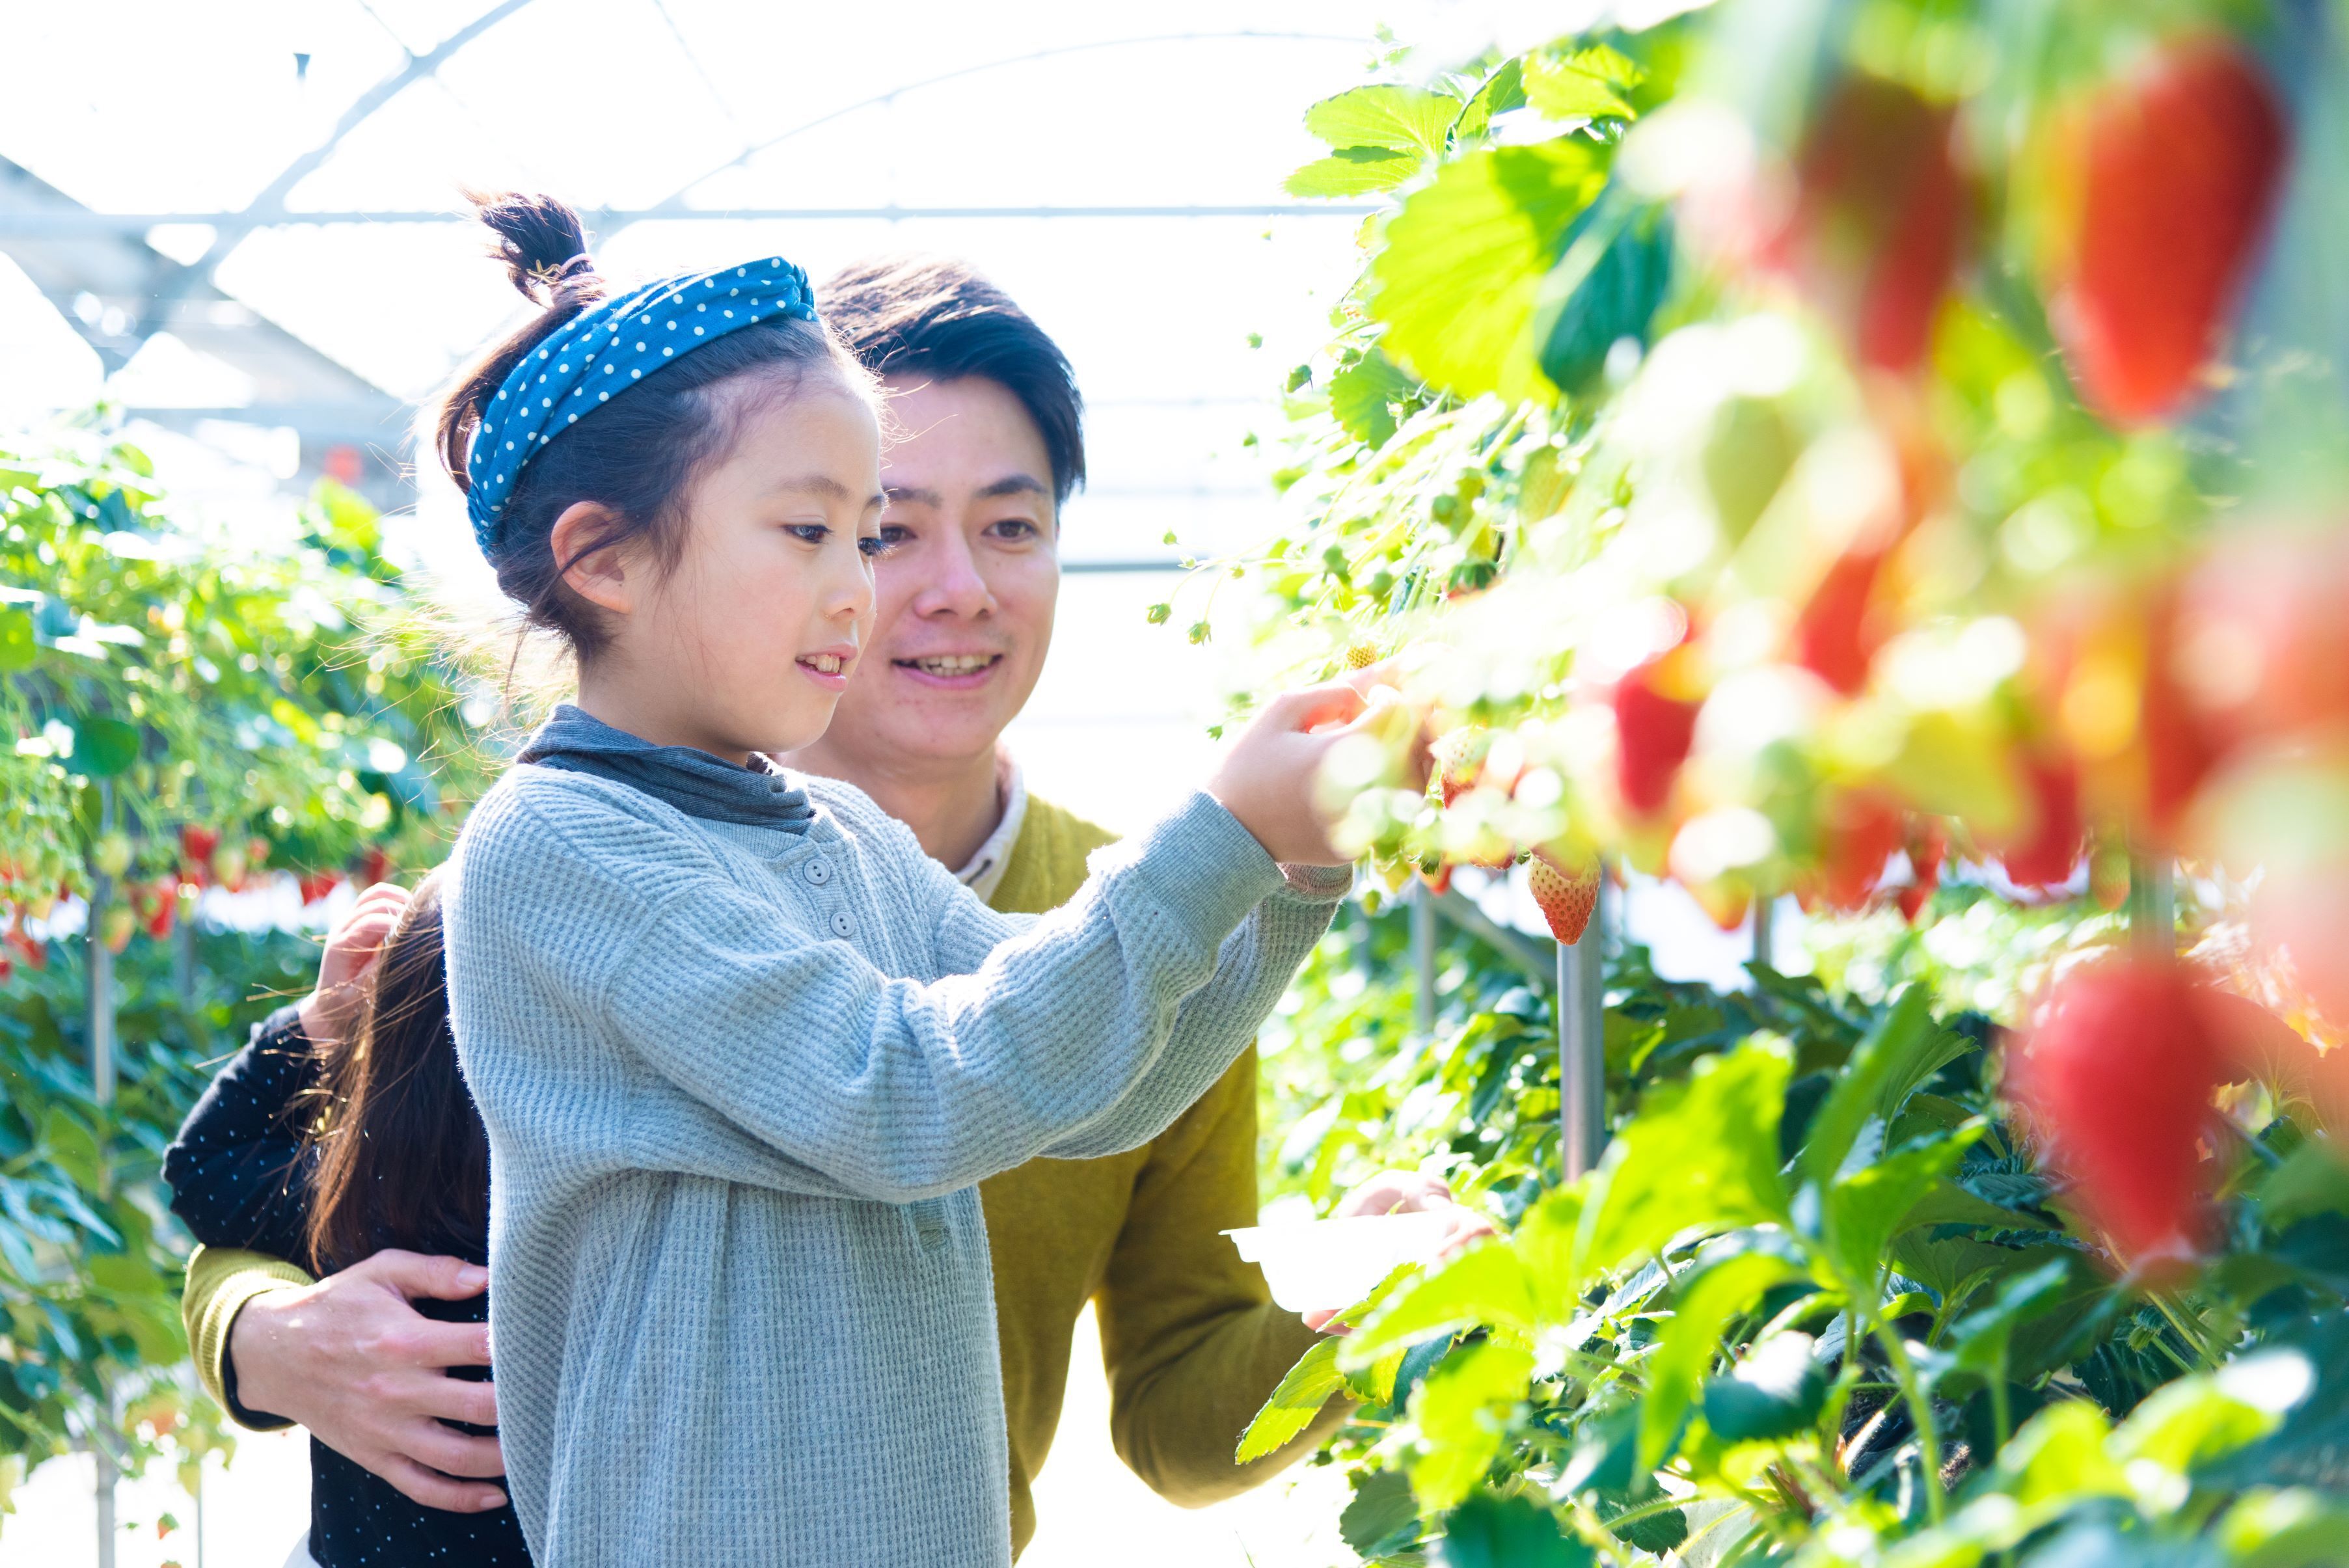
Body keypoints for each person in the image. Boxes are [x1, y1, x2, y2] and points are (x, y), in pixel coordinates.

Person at [170, 234, 1479, 1563]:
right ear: (603, 560)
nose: (866, 585)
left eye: (864, 533)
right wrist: (1217, 836)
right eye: (822, 530)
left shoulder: (836, 834)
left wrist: (1294, 857)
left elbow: (1103, 1090)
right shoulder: (562, 845)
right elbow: (907, 1092)